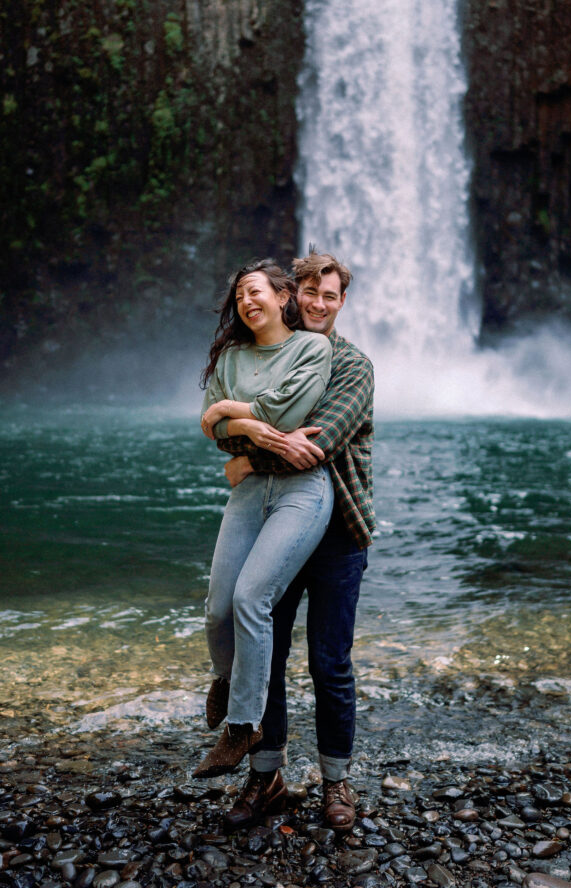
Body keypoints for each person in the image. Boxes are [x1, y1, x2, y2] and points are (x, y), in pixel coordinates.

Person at [213, 251, 374, 832]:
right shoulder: (269, 356)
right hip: (274, 525)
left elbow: (314, 443)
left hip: (337, 530)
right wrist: (241, 432)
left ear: (342, 302)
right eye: (310, 292)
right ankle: (267, 777)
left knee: (330, 662)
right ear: (290, 295)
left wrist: (243, 454)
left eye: (329, 296)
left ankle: (337, 781)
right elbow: (241, 432)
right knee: (267, 651)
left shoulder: (353, 366)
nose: (318, 304)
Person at [195, 258, 335, 779]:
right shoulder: (231, 356)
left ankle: (243, 726)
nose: (246, 302)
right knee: (218, 607)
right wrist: (248, 428)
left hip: (302, 489)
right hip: (250, 489)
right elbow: (216, 432)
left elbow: (287, 413)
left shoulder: (312, 348)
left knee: (251, 597)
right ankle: (225, 676)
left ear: (282, 296)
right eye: (238, 297)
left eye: (255, 291)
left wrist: (228, 411)